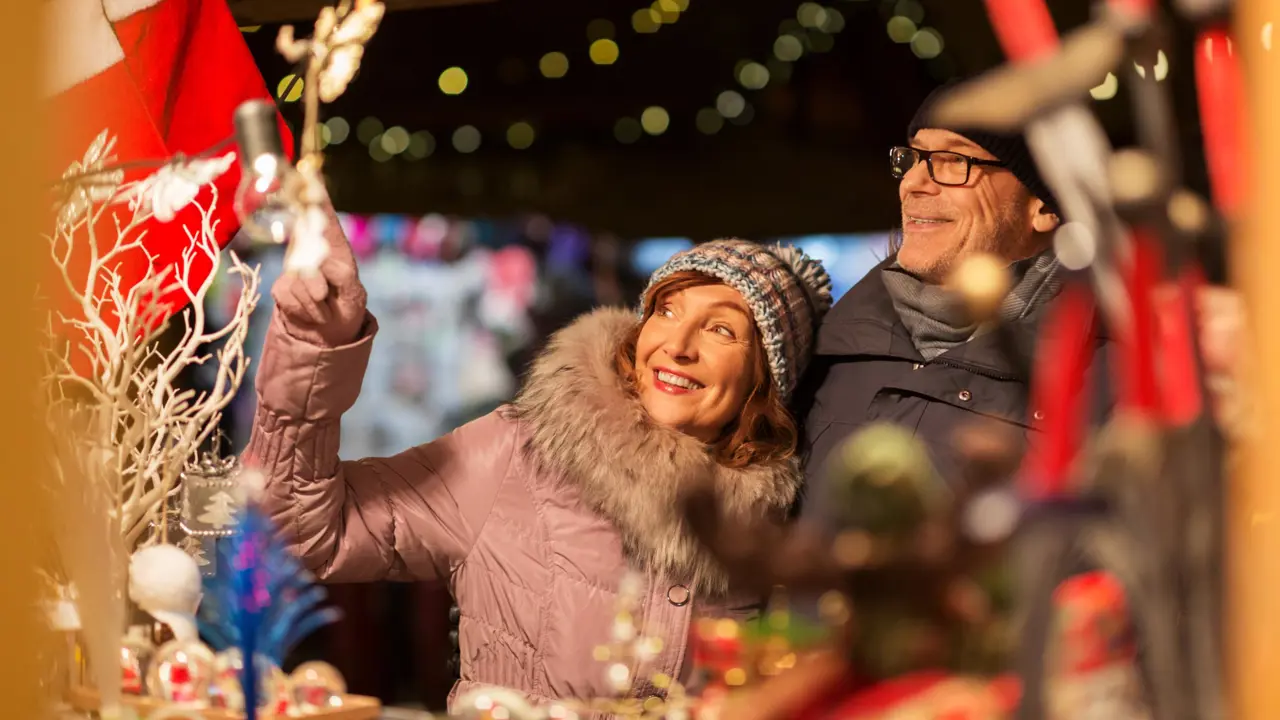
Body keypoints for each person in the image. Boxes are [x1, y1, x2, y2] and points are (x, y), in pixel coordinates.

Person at [243, 232, 833, 710]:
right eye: (666, 310)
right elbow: (305, 532)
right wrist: (313, 351)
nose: (676, 345)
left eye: (721, 329)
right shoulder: (520, 452)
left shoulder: (773, 529)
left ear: (765, 380)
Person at [796, 83, 1243, 506]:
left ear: (1045, 206)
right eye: (912, 157)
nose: (913, 182)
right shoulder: (820, 353)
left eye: (954, 161)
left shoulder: (1125, 376)